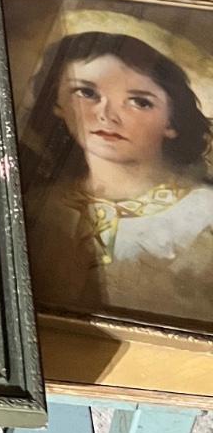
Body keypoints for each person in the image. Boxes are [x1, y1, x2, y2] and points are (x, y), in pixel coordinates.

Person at [20, 29, 213, 323]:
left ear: (171, 122)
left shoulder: (203, 215)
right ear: (57, 104)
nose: (106, 115)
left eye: (139, 101)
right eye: (86, 93)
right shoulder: (33, 206)